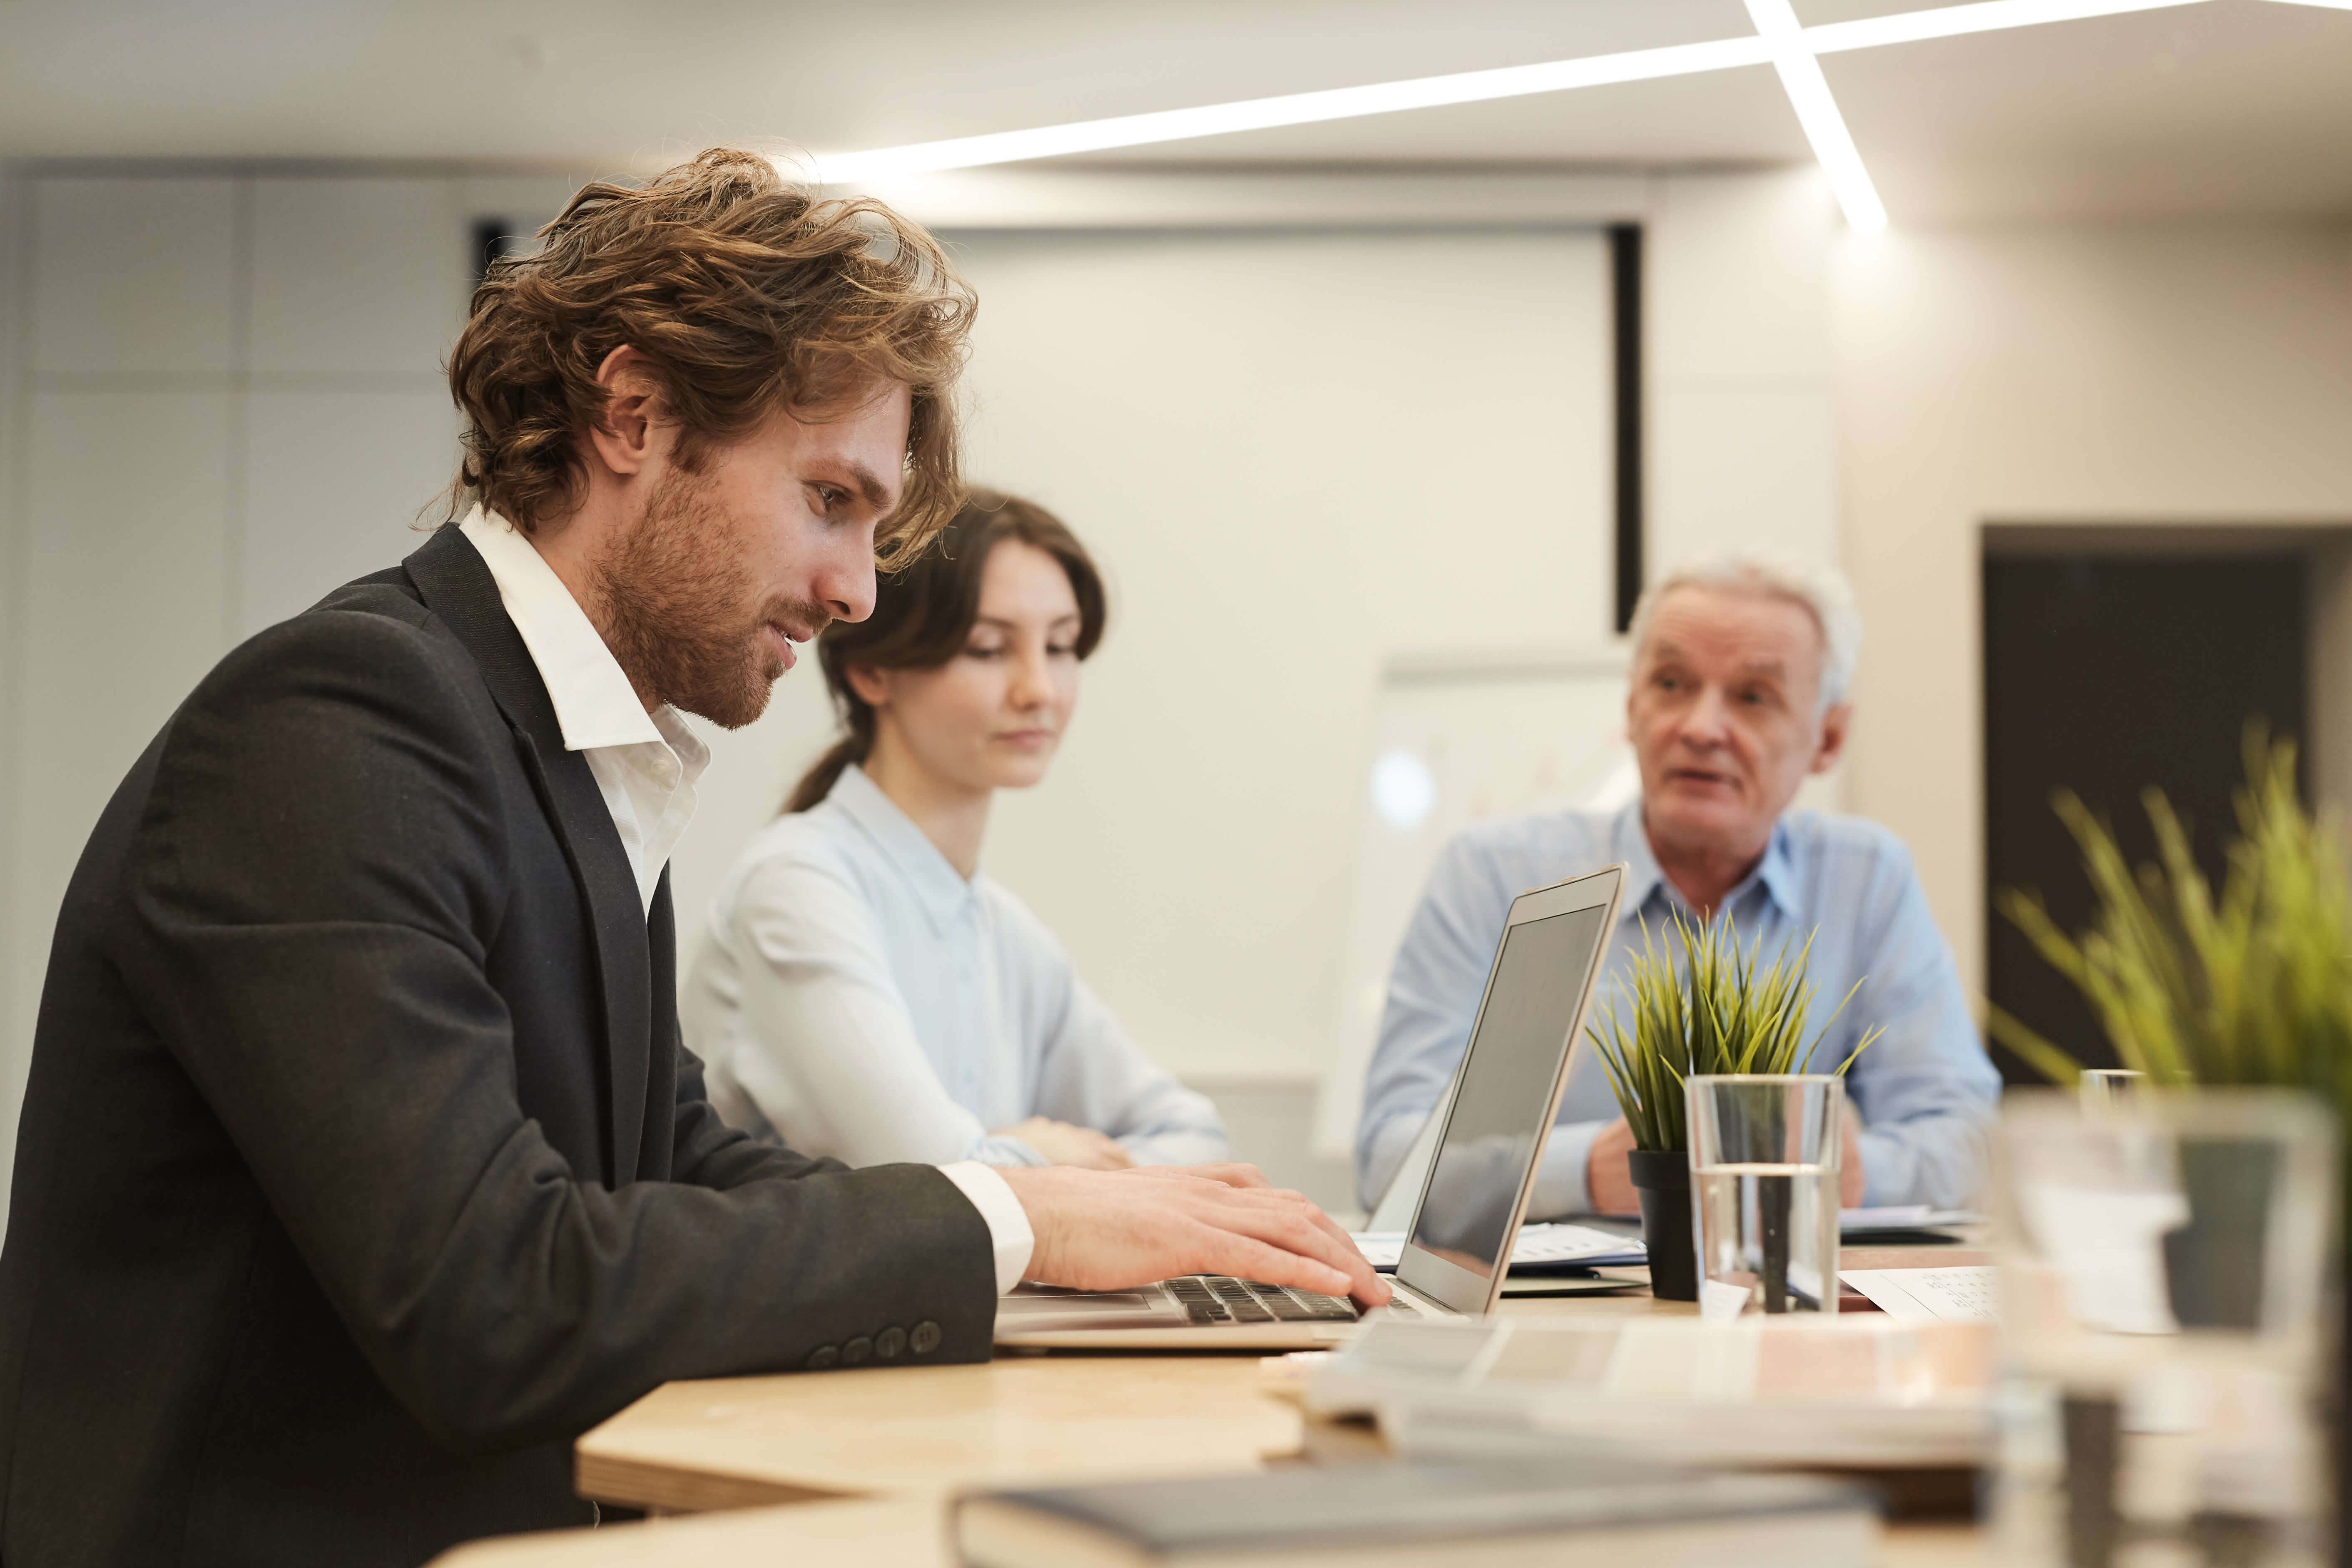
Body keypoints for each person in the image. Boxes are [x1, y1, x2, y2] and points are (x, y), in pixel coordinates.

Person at [0, 148, 1381, 1567]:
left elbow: (674, 1159)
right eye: (831, 499)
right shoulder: (338, 724)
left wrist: (1065, 1230)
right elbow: (494, 1292)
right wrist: (1005, 1215)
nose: (857, 590)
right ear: (637, 413)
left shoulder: (564, 751)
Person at [1357, 550, 2000, 1219]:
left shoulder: (1865, 882)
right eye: (1670, 683)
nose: (1699, 728)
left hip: (1780, 1300)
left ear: (1828, 738)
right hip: (1560, 1308)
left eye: (1753, 696)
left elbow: (1966, 1137)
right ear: (1631, 707)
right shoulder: (1495, 875)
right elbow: (1387, 1161)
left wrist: (1849, 1170)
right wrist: (1595, 1170)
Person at [684, 490, 1228, 1172]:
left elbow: (1199, 1137)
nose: (1040, 689)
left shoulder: (1006, 933)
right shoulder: (796, 889)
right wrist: (1044, 1155)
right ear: (873, 670)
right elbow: (938, 1188)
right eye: (989, 647)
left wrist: (1038, 1161)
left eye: (1059, 645)